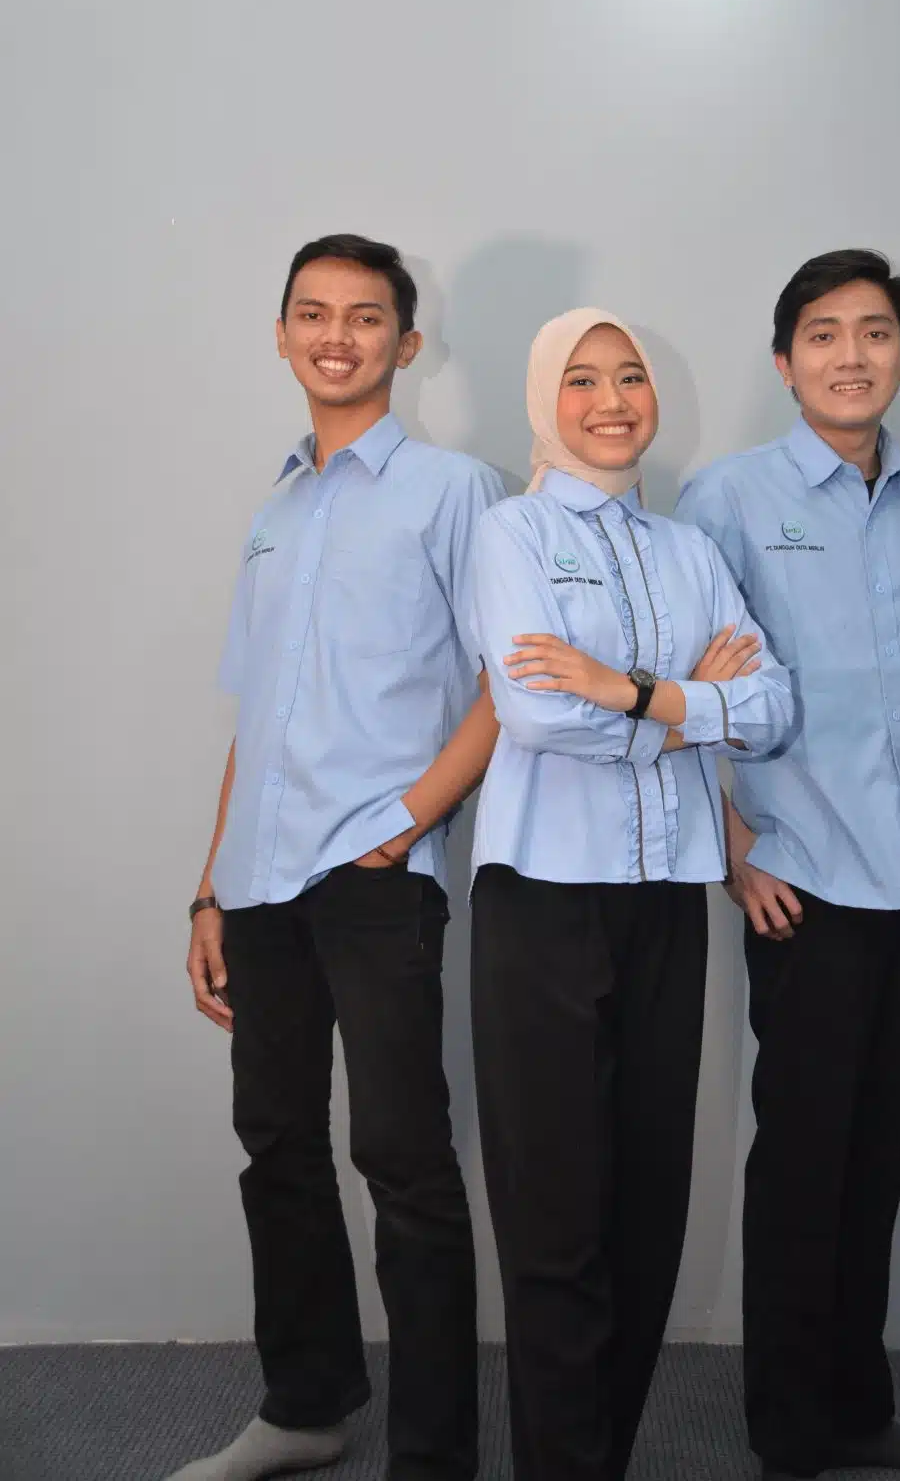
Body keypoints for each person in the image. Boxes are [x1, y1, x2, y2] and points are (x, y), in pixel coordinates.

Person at [174, 235, 505, 1481]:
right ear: (282, 335)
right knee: (277, 1142)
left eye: (365, 316)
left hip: (374, 879)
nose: (337, 335)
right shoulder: (274, 512)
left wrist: (408, 818)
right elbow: (255, 714)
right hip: (259, 881)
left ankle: (434, 1452)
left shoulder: (455, 491)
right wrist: (209, 885)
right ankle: (304, 1404)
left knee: (403, 1158)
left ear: (405, 344)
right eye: (312, 313)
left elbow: (510, 681)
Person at [676, 250, 900, 1481]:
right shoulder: (726, 498)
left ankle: (859, 1410)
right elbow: (679, 694)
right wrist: (730, 851)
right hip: (803, 883)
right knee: (802, 1168)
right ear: (785, 360)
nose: (850, 355)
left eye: (874, 332)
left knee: (875, 1162)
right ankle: (789, 1433)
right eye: (822, 333)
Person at [468, 307, 794, 1481]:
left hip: (667, 901)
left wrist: (628, 689)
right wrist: (685, 705)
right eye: (582, 379)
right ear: (543, 398)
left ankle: (596, 1458)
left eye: (629, 377)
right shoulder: (509, 533)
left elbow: (771, 706)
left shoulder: (688, 550)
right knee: (555, 1215)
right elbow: (533, 712)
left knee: (648, 1204)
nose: (610, 401)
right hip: (542, 899)